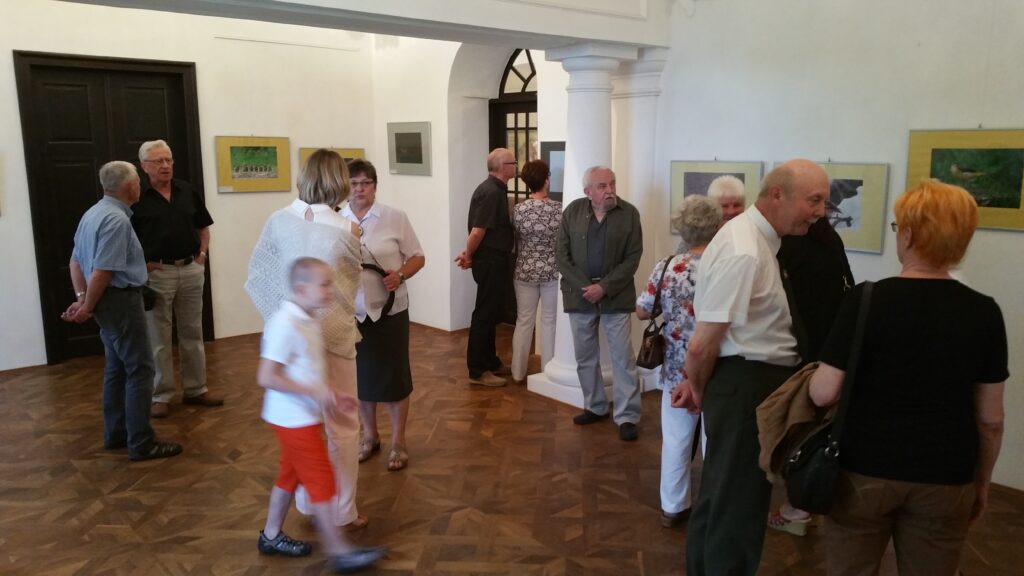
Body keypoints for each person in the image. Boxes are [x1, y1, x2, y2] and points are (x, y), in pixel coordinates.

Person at [808, 180, 1007, 575]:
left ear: (910, 235)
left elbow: (824, 392)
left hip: (863, 468)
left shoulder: (865, 300)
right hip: (947, 474)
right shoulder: (984, 311)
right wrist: (982, 481)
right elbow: (991, 419)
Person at [672, 159, 829, 575]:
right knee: (739, 508)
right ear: (777, 194)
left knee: (722, 498)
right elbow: (702, 343)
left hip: (747, 385)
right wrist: (700, 389)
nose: (820, 212)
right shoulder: (745, 249)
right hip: (746, 387)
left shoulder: (754, 241)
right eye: (814, 200)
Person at [246, 149, 366, 530]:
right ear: (339, 181)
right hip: (336, 334)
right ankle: (343, 510)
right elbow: (350, 283)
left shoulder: (277, 219)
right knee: (343, 426)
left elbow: (258, 275)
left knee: (306, 422)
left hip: (295, 337)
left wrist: (284, 322)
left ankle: (309, 502)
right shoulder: (348, 229)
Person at [255, 257, 385, 573]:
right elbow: (267, 376)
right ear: (302, 289)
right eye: (324, 285)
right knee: (322, 481)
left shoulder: (308, 319)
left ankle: (270, 535)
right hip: (291, 419)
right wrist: (316, 393)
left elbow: (309, 368)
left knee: (289, 476)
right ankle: (340, 551)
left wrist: (333, 394)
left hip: (301, 416)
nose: (331, 290)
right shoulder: (285, 324)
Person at [62, 160, 182, 461]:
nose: (140, 186)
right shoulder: (116, 220)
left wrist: (82, 298)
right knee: (141, 369)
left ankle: (116, 433)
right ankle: (141, 442)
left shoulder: (93, 213)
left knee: (116, 368)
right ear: (129, 187)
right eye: (138, 182)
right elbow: (102, 271)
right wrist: (86, 306)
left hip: (106, 302)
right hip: (119, 301)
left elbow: (75, 262)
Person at [635, 195, 721, 527]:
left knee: (675, 439)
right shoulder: (723, 266)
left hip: (675, 366)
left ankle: (673, 506)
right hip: (716, 365)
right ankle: (714, 507)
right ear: (716, 226)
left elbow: (643, 310)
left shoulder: (669, 265)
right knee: (714, 440)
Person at [768, 208, 855, 536]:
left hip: (799, 350)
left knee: (796, 428)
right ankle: (809, 500)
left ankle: (798, 507)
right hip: (830, 348)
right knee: (817, 427)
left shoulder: (789, 245)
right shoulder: (831, 239)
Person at [340, 159, 425, 471]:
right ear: (345, 186)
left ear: (375, 186)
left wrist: (399, 275)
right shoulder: (336, 219)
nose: (359, 189)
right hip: (353, 313)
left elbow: (417, 256)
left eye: (366, 183)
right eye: (354, 183)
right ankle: (369, 436)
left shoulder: (394, 217)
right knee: (361, 378)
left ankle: (398, 441)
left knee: (394, 377)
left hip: (390, 311)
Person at [131, 140, 221, 419]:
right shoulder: (137, 198)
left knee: (193, 332)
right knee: (158, 337)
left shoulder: (186, 190)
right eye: (158, 161)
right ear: (144, 166)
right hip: (158, 273)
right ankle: (161, 395)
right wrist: (141, 266)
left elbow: (203, 227)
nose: (165, 166)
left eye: (168, 160)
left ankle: (196, 389)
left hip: (191, 267)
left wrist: (202, 255)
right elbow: (127, 239)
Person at [557, 166, 644, 441]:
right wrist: (587, 287)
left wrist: (604, 287)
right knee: (585, 356)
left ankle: (627, 416)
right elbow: (561, 255)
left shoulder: (629, 214)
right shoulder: (572, 212)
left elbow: (633, 257)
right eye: (602, 186)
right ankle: (595, 406)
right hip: (580, 295)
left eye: (612, 184)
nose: (609, 190)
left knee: (623, 357)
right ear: (588, 191)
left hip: (616, 297)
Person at [455, 148, 517, 387]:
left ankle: (490, 361)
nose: (516, 165)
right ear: (503, 167)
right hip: (490, 261)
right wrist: (468, 255)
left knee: (491, 314)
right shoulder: (491, 192)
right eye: (513, 162)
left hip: (493, 259)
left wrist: (469, 254)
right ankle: (478, 370)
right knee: (484, 314)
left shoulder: (494, 189)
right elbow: (477, 231)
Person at [510, 159, 561, 385]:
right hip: (551, 271)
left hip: (524, 271)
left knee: (524, 321)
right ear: (546, 180)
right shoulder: (558, 209)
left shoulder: (518, 210)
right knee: (549, 322)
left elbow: (516, 238)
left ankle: (517, 372)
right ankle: (547, 372)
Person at [677, 174, 746, 253]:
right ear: (712, 207)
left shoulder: (750, 233)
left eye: (737, 205)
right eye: (724, 206)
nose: (731, 211)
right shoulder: (697, 237)